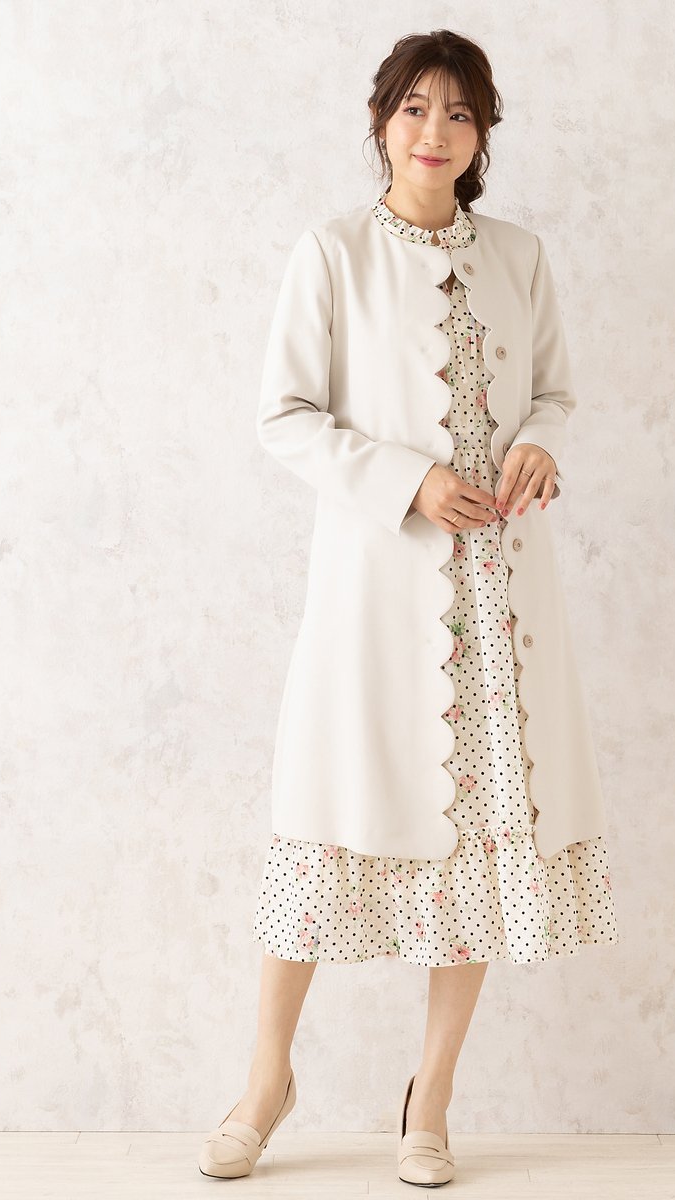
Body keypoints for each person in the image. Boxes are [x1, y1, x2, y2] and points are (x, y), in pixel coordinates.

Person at [198, 29, 619, 1188]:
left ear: (484, 134)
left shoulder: (521, 256)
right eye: (415, 108)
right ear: (382, 120)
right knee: (324, 815)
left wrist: (540, 442)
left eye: (460, 113)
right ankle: (265, 1082)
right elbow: (285, 415)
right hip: (376, 591)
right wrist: (409, 482)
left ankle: (430, 1100)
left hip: (502, 601)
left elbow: (556, 391)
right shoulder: (332, 254)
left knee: (481, 837)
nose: (435, 132)